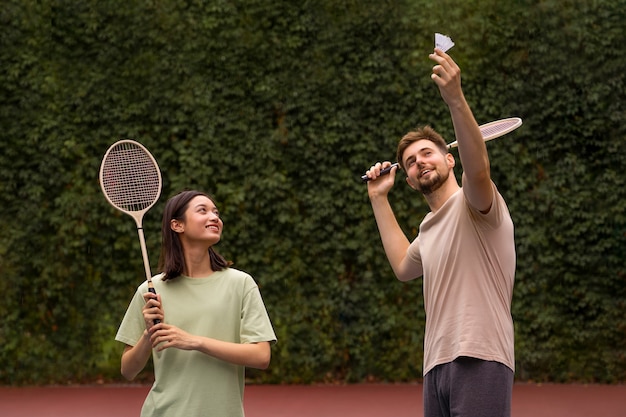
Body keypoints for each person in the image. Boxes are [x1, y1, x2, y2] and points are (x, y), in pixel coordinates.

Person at [364, 48, 515, 417]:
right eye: (410, 162)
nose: (419, 163)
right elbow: (402, 266)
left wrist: (455, 99)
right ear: (411, 182)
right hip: (436, 364)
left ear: (450, 158)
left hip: (480, 355)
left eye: (427, 153)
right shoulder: (428, 229)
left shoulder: (475, 203)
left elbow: (478, 169)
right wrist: (378, 198)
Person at [115, 190, 276, 417]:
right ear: (177, 225)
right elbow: (128, 370)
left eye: (216, 212)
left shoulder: (241, 283)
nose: (214, 217)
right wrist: (148, 335)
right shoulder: (150, 290)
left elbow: (261, 356)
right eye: (203, 210)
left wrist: (194, 341)